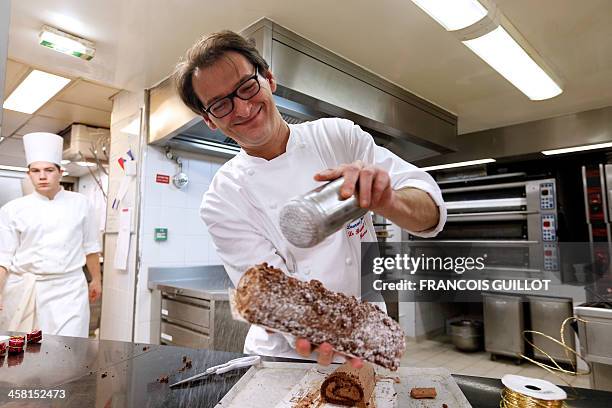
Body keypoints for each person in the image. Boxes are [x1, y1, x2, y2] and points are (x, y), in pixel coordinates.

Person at [174, 30, 446, 366]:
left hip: (367, 334)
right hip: (284, 357)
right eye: (220, 104)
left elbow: (430, 211)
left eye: (246, 86)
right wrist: (331, 332)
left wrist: (388, 200)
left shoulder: (337, 137)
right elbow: (274, 296)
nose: (242, 108)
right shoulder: (222, 197)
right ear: (209, 120)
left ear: (269, 79)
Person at [0, 132, 102, 338]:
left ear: (60, 172)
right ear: (29, 174)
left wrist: (96, 280)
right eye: (35, 171)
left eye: (49, 170)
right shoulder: (12, 209)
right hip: (25, 290)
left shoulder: (81, 203)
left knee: (69, 349)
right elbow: (4, 258)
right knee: (24, 354)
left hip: (69, 290)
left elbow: (90, 246)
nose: (42, 176)